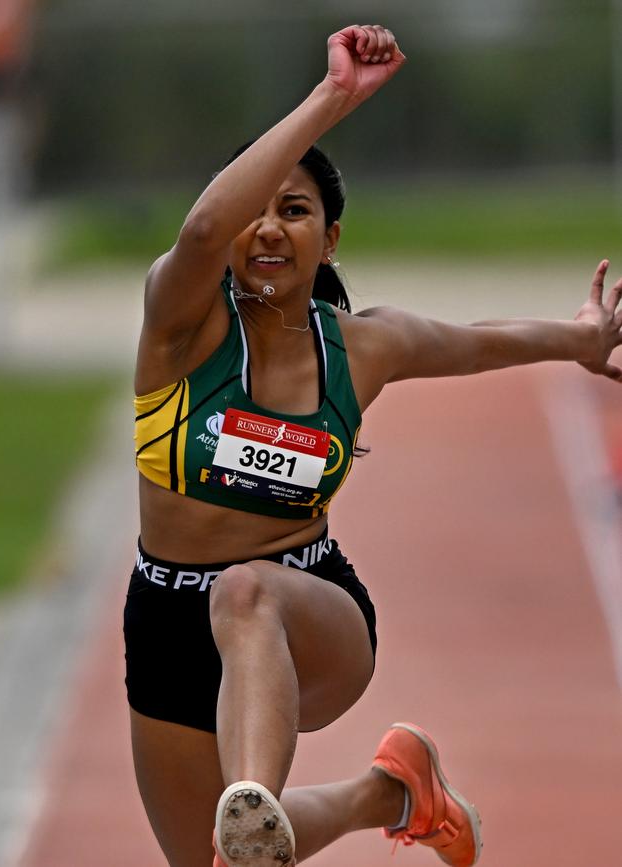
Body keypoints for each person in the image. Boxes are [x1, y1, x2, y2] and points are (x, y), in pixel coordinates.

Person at [125, 23, 622, 867]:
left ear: (331, 238)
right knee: (219, 860)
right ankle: (387, 791)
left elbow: (473, 342)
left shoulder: (358, 347)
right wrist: (334, 98)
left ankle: (250, 798)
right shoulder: (182, 328)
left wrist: (576, 339)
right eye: (259, 211)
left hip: (307, 605)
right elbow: (205, 225)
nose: (270, 229)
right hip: (166, 618)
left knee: (247, 593)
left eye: (297, 210)